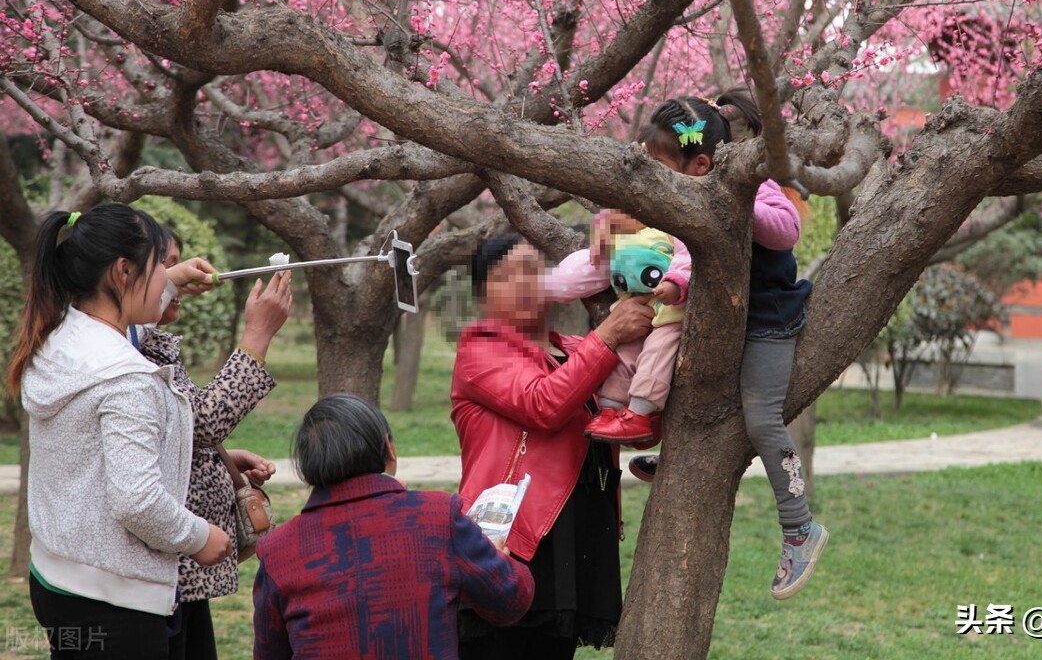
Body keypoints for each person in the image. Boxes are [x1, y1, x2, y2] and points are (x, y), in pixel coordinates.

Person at [625, 91, 829, 600]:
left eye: (664, 166)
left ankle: (801, 528)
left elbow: (787, 231)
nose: (658, 179)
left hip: (766, 321)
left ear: (699, 163)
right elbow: (686, 257)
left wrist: (735, 208)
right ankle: (674, 448)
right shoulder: (682, 196)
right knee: (678, 369)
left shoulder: (751, 185)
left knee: (761, 418)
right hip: (719, 317)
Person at [6, 205, 232, 660]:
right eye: (159, 266)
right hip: (117, 606)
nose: (166, 277)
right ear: (124, 271)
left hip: (58, 581)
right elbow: (138, 500)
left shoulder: (58, 337)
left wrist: (166, 281)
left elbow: (116, 326)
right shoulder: (127, 379)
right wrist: (200, 538)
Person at [452, 235, 655, 659]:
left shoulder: (576, 349)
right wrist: (610, 333)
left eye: (533, 270)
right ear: (483, 294)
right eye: (509, 276)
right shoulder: (480, 348)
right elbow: (543, 404)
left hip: (575, 533)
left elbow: (631, 422)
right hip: (513, 539)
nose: (526, 283)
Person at [252, 394, 534, 660]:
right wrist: (497, 559)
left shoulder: (278, 550)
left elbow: (269, 652)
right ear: (389, 448)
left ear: (307, 467)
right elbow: (511, 600)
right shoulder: (436, 516)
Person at [132, 228, 292, 660]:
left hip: (175, 571)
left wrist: (217, 460)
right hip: (160, 566)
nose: (178, 279)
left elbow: (180, 431)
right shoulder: (126, 349)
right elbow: (202, 423)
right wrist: (257, 336)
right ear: (124, 273)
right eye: (166, 265)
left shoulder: (148, 344)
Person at [542, 220, 691, 445]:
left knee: (657, 350)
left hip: (669, 310)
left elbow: (687, 258)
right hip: (637, 306)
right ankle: (610, 408)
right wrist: (599, 247)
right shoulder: (617, 238)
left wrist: (676, 282)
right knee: (624, 354)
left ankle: (640, 411)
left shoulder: (673, 230)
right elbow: (570, 279)